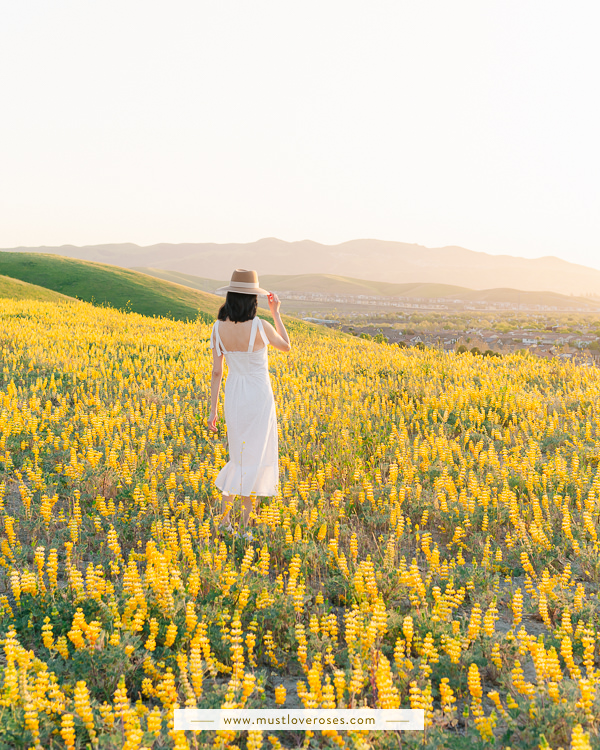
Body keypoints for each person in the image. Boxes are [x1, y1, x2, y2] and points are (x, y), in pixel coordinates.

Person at [208, 269, 291, 533]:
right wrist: (276, 313)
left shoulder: (217, 328)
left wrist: (212, 411)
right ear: (253, 299)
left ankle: (224, 521)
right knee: (252, 459)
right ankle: (243, 529)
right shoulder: (260, 326)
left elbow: (217, 372)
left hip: (234, 395)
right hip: (259, 396)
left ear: (230, 297)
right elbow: (286, 346)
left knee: (239, 457)